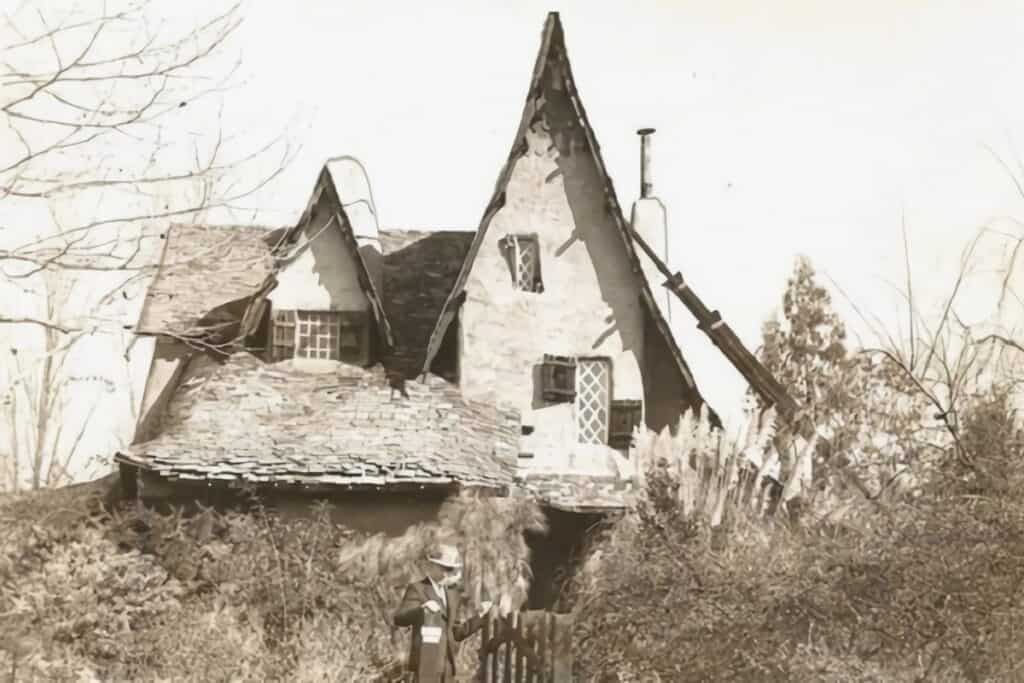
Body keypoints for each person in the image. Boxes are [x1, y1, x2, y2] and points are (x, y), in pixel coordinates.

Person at [393, 543, 492, 683]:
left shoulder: (452, 594)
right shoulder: (418, 589)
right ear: (431, 566)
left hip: (447, 668)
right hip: (425, 665)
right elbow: (399, 618)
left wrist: (480, 616)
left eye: (453, 569)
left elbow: (457, 633)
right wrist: (422, 609)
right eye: (446, 568)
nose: (450, 573)